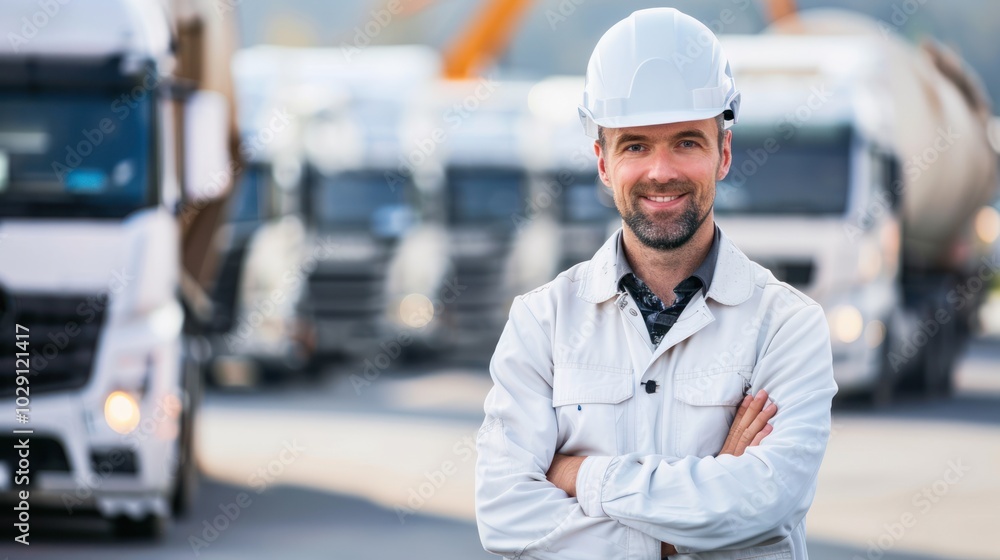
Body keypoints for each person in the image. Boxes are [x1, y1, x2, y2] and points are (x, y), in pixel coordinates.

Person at [475, 7, 837, 559]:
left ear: (725, 152)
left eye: (687, 142)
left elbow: (766, 502)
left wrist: (582, 476)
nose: (661, 170)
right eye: (636, 145)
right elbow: (504, 515)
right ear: (602, 161)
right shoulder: (542, 322)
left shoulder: (787, 326)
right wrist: (674, 538)